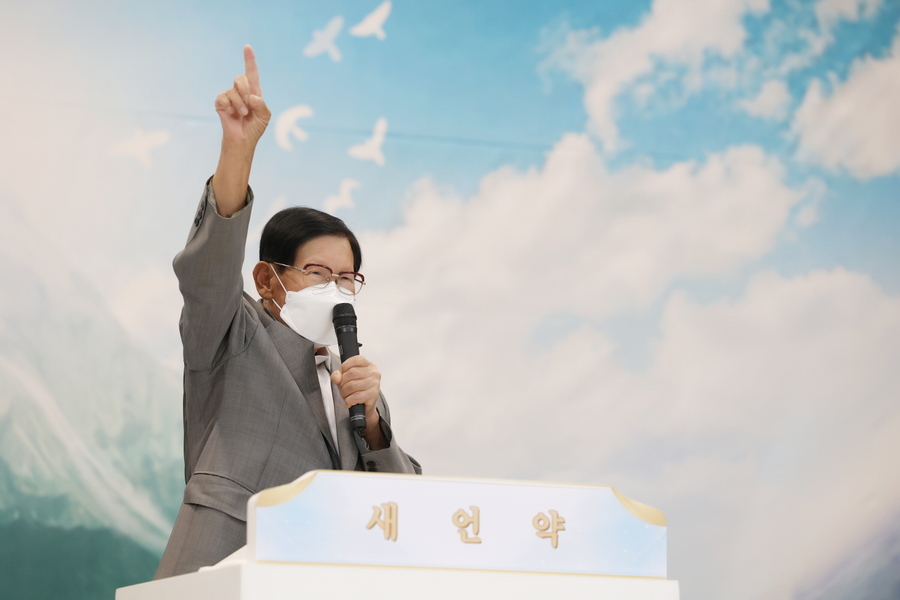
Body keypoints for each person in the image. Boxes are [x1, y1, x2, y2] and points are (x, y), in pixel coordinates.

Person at [154, 45, 420, 579]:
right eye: (318, 273)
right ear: (266, 279)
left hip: (316, 578)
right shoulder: (233, 334)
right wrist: (238, 150)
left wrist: (372, 425)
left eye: (347, 278)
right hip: (222, 572)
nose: (336, 289)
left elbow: (405, 506)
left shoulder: (353, 381)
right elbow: (209, 269)